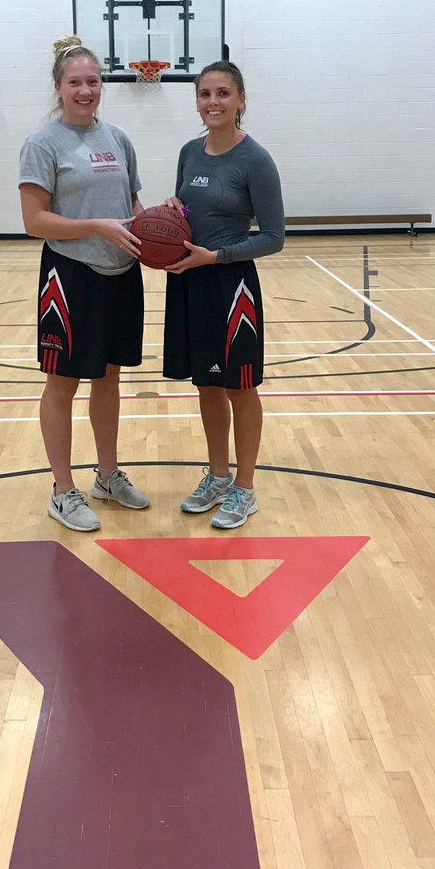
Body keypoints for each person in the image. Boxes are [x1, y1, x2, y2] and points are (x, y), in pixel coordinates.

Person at [19, 36, 150, 532]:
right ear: (59, 87)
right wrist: (96, 225)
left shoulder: (118, 139)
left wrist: (160, 227)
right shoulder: (43, 143)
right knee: (62, 382)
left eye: (92, 81)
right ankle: (62, 488)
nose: (85, 90)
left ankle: (108, 474)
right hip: (70, 276)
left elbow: (132, 207)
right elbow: (34, 221)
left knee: (109, 377)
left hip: (121, 273)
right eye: (75, 82)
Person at [162, 60, 284, 529]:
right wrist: (173, 209)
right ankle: (217, 474)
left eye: (223, 93)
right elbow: (184, 217)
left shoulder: (255, 160)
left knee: (240, 387)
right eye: (205, 94)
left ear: (241, 100)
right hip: (189, 282)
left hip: (231, 287)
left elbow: (273, 237)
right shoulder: (189, 152)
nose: (213, 102)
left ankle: (245, 487)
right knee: (207, 385)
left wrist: (216, 257)